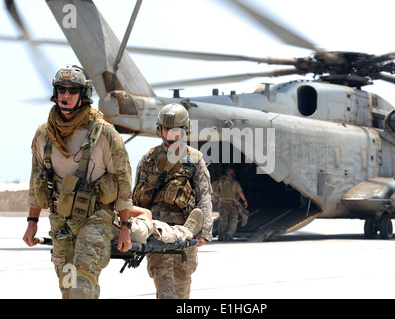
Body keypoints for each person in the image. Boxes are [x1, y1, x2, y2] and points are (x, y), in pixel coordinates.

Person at [22, 64, 133, 299]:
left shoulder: (104, 133)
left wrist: (125, 227)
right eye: (61, 89)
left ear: (83, 94)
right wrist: (32, 221)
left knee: (83, 281)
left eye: (73, 90)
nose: (66, 95)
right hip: (60, 217)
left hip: (96, 217)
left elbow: (123, 182)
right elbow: (37, 180)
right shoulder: (44, 134)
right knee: (68, 285)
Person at [133, 103, 213, 299]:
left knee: (182, 284)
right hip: (157, 234)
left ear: (184, 130)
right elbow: (135, 197)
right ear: (160, 129)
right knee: (165, 286)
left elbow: (204, 197)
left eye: (175, 129)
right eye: (167, 128)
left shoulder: (194, 160)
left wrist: (203, 232)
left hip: (186, 234)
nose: (170, 133)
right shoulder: (148, 159)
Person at [212, 168, 248, 241]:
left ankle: (222, 235)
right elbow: (240, 192)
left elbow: (215, 190)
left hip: (222, 202)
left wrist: (215, 198)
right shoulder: (235, 183)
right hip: (232, 202)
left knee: (223, 219)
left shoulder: (220, 182)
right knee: (234, 218)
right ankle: (230, 233)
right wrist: (244, 200)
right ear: (233, 174)